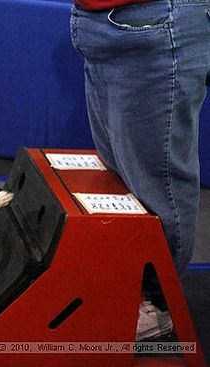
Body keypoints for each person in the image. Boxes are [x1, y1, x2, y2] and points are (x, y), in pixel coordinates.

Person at [70, 0, 210, 340]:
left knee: (156, 183)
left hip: (151, 21)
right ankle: (132, 287)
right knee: (121, 175)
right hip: (105, 22)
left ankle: (160, 304)